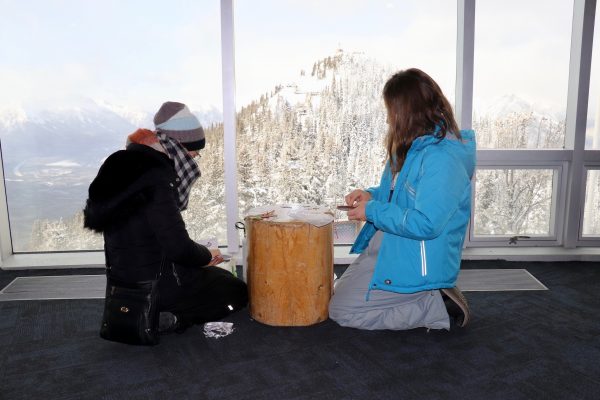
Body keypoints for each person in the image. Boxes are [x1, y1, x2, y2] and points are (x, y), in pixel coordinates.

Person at [328, 69, 476, 331]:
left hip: (418, 258)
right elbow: (402, 193)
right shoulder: (413, 146)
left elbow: (427, 223)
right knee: (338, 291)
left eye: (392, 111)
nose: (389, 119)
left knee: (342, 311)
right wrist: (372, 195)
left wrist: (373, 211)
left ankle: (436, 305)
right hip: (393, 244)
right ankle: (424, 296)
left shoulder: (443, 159)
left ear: (409, 111)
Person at [84, 101, 248, 334]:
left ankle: (159, 311)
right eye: (193, 151)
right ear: (177, 147)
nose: (195, 157)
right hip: (158, 283)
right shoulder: (157, 178)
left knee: (213, 276)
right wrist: (206, 256)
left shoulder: (119, 165)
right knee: (235, 290)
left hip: (122, 284)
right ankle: (172, 318)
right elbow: (178, 248)